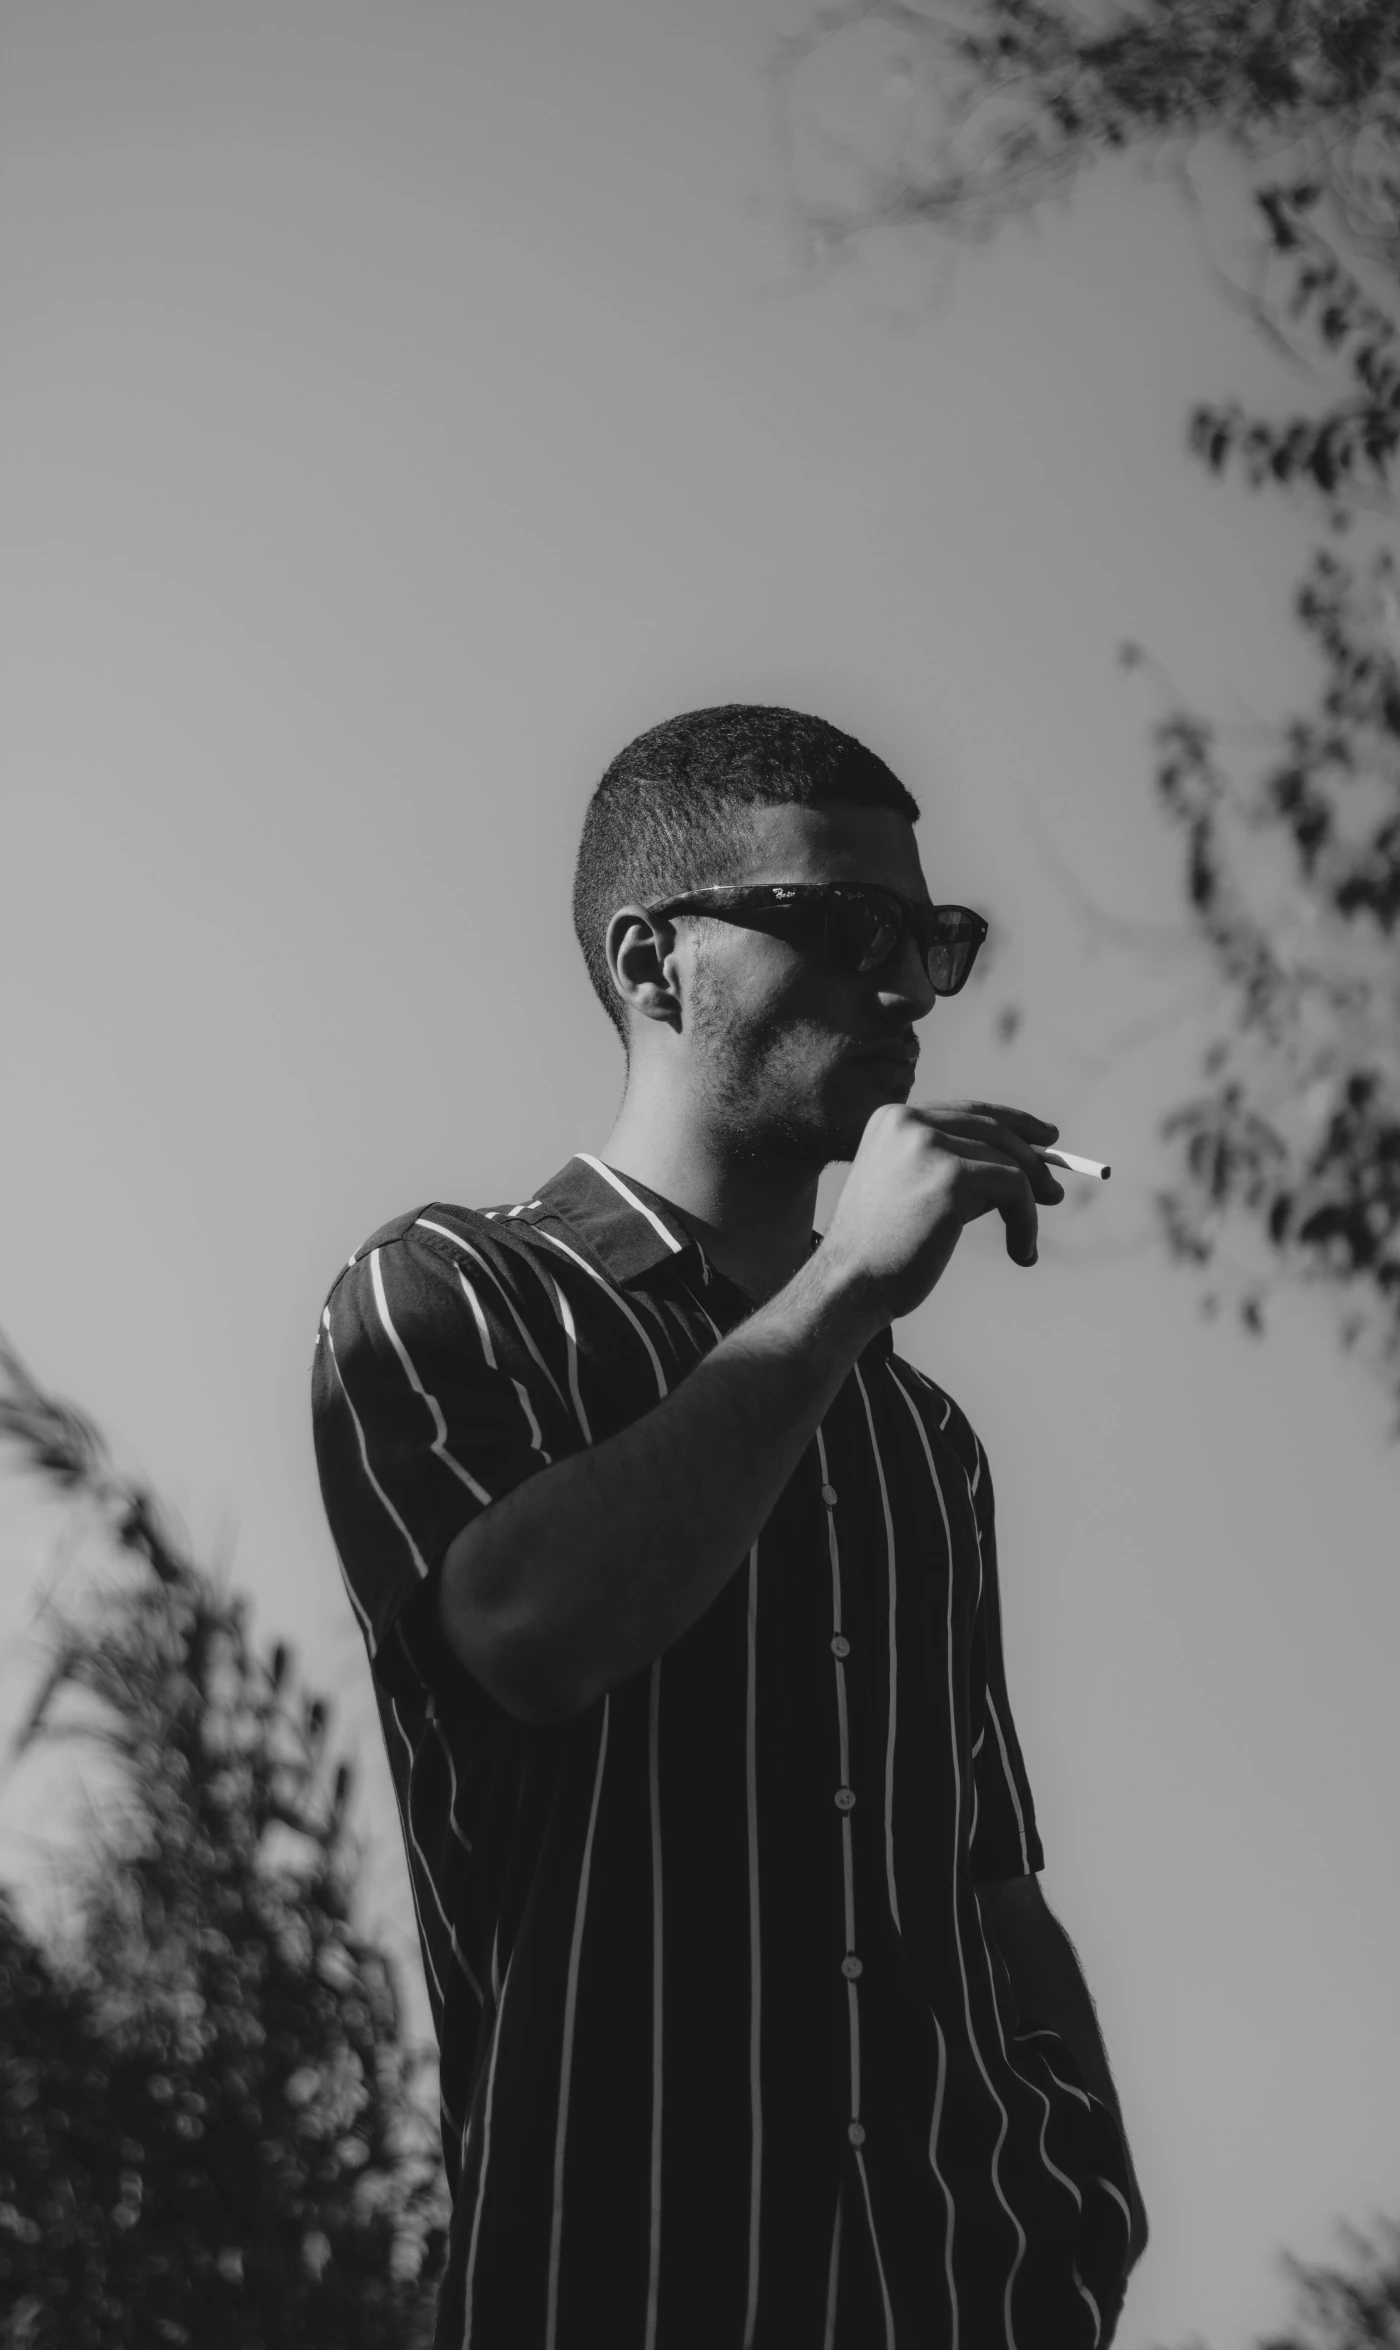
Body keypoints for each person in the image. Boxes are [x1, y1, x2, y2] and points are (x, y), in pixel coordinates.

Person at [310, 704, 1148, 2349]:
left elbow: (985, 1878)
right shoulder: (450, 1292)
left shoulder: (922, 1440)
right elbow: (529, 1632)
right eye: (845, 927)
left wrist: (1088, 2200)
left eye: (932, 938)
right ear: (653, 962)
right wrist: (842, 1287)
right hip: (615, 2286)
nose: (906, 985)